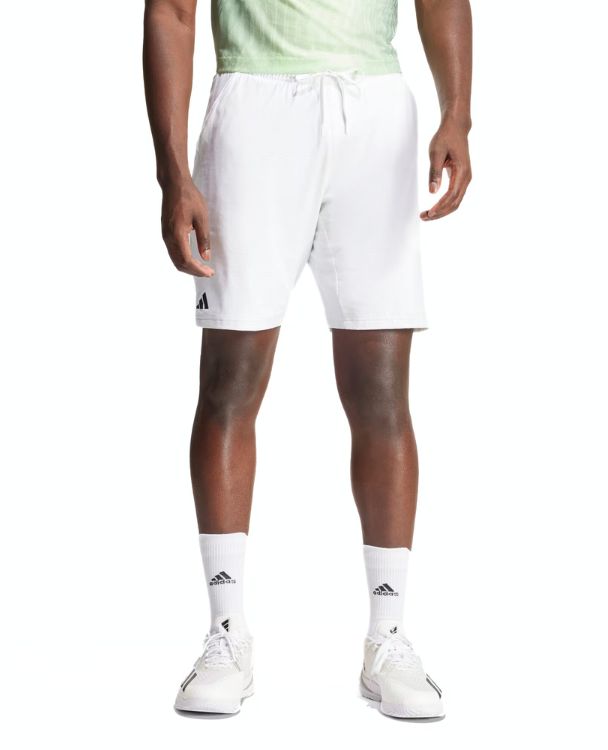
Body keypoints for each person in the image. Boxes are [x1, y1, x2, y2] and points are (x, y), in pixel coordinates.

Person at [143, 0, 472, 719]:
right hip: (254, 105)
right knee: (230, 381)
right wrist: (173, 173)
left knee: (382, 390)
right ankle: (226, 634)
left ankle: (388, 638)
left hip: (375, 108)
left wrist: (458, 113)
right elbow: (170, 10)